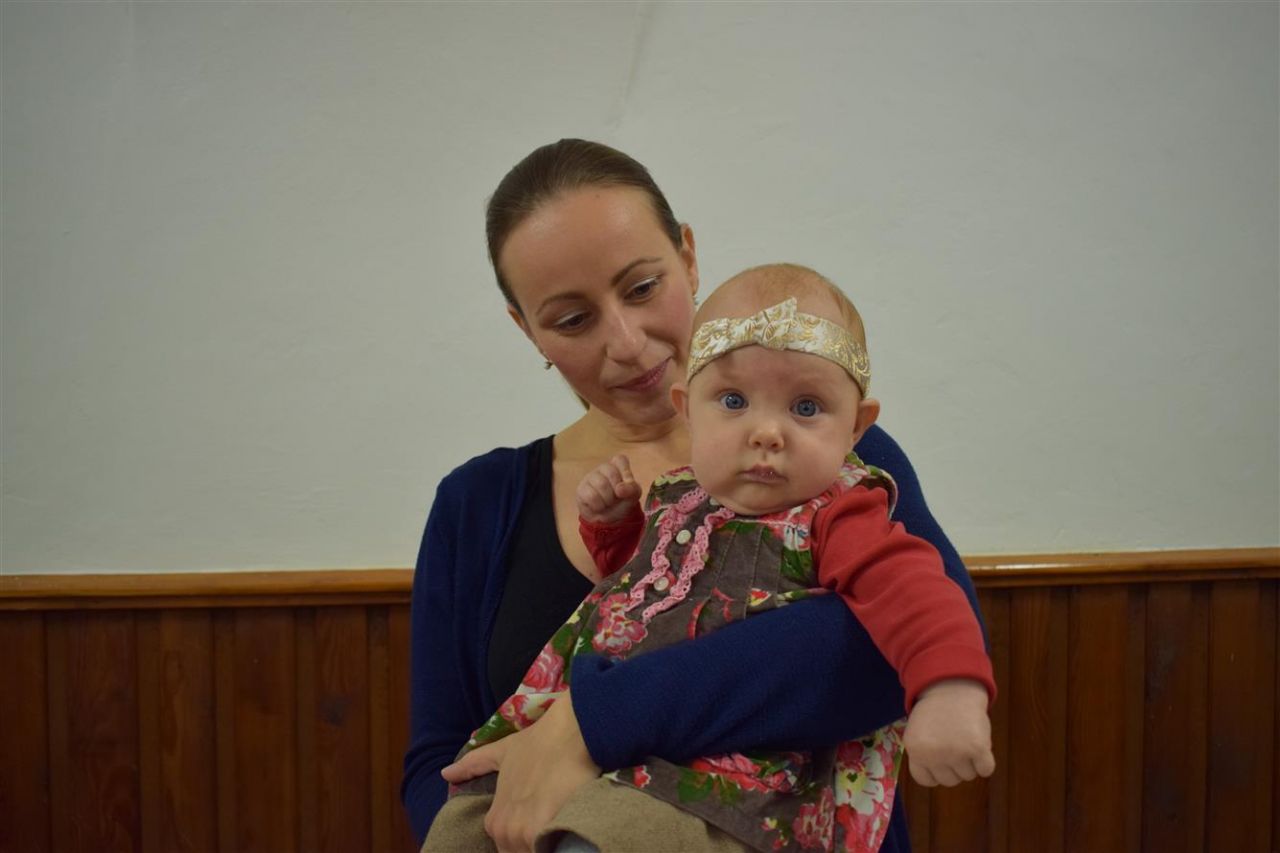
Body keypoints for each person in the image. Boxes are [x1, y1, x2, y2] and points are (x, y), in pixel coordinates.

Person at [401, 139, 988, 853]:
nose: (627, 342)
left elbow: (907, 644)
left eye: (643, 287)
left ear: (687, 257)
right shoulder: (476, 506)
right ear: (528, 329)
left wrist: (590, 720)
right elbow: (440, 760)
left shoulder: (831, 464)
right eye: (572, 319)